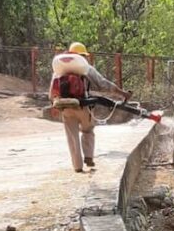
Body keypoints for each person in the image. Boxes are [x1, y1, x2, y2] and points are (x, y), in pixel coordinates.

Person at [52, 42, 131, 173]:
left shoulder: (59, 69)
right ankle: (88, 157)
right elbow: (103, 84)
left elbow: (53, 90)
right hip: (83, 106)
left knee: (72, 136)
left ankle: (77, 166)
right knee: (87, 131)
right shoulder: (85, 68)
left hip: (65, 107)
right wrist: (122, 94)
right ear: (82, 56)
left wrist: (54, 105)